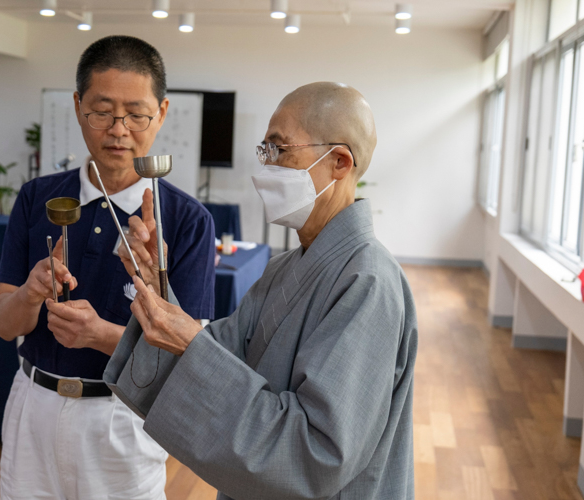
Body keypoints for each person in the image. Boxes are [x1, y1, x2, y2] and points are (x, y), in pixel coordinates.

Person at [104, 82, 418, 500]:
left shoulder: (369, 283)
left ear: (339, 161)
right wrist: (155, 284)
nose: (266, 166)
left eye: (279, 149)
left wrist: (192, 344)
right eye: (264, 151)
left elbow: (319, 453)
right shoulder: (284, 267)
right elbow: (217, 353)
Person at [0, 35, 216, 500]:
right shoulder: (38, 199)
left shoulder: (189, 221)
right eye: (102, 111)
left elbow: (189, 356)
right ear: (77, 107)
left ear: (163, 112)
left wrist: (101, 335)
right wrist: (31, 293)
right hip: (33, 407)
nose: (118, 130)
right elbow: (1, 322)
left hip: (122, 420)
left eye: (137, 114)